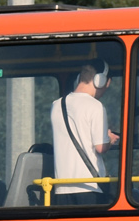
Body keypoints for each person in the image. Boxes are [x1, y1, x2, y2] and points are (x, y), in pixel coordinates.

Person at [50, 63, 119, 205]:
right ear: (100, 81)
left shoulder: (56, 105)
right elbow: (100, 147)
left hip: (61, 187)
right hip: (90, 186)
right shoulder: (95, 106)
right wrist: (110, 139)